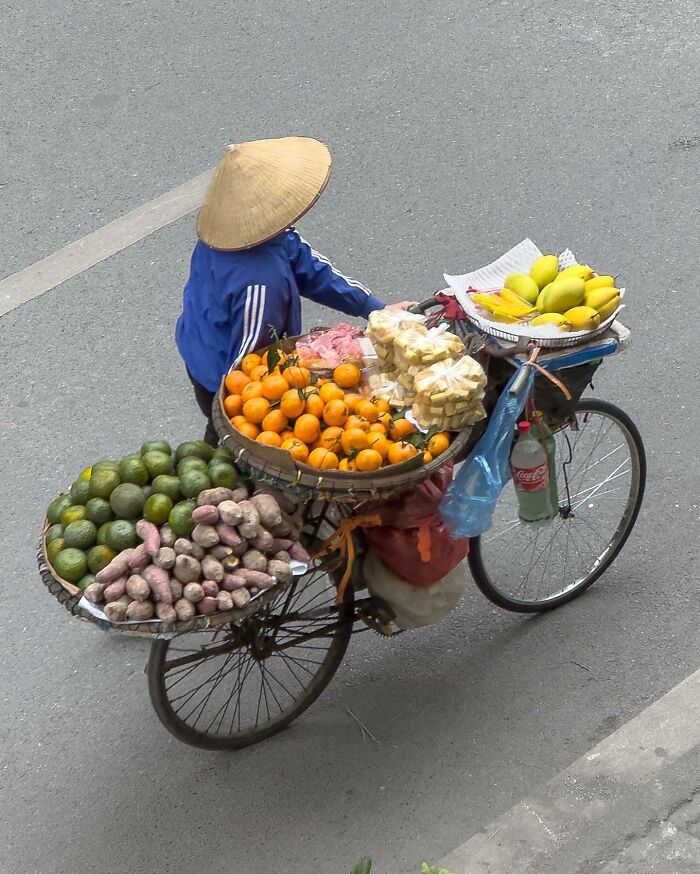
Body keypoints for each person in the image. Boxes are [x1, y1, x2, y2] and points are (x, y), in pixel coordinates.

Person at [176, 136, 414, 445]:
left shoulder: (238, 234)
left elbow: (310, 268)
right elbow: (251, 363)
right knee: (228, 444)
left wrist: (374, 308)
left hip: (200, 341)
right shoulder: (261, 284)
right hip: (221, 372)